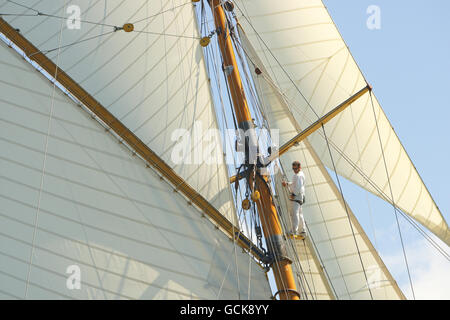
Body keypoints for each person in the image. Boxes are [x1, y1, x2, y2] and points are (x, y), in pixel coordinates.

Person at [282, 161, 306, 239]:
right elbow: (295, 183)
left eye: (295, 168)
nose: (294, 170)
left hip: (297, 197)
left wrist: (293, 194)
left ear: (299, 167)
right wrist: (288, 183)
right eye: (293, 169)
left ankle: (294, 230)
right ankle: (303, 230)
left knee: (295, 213)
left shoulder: (298, 176)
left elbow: (298, 186)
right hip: (300, 197)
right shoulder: (300, 175)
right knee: (300, 213)